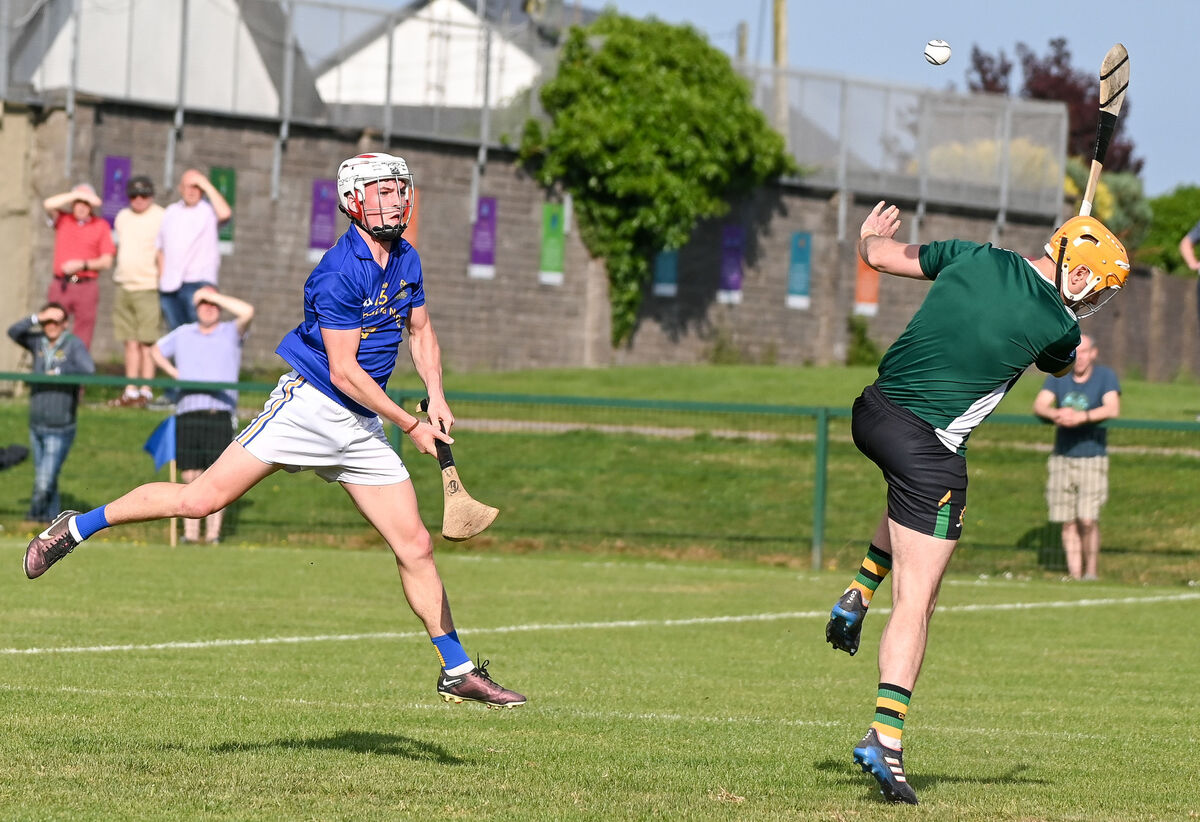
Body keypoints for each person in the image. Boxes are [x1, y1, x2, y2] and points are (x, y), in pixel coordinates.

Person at [22, 152, 526, 710]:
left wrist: (436, 393)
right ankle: (74, 528)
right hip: (310, 406)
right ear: (354, 202)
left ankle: (455, 668)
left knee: (416, 545)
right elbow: (344, 370)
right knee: (198, 500)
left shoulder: (407, 259)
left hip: (361, 423)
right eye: (384, 192)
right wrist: (409, 422)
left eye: (401, 190)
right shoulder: (337, 271)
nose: (397, 200)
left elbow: (422, 331)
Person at [823, 202, 1130, 805]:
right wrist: (1059, 300)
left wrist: (867, 236)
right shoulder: (1061, 328)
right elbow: (1062, 369)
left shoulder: (971, 252)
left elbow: (880, 256)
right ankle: (885, 738)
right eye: (1096, 286)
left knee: (905, 502)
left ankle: (858, 592)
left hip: (872, 412)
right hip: (929, 447)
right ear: (1077, 273)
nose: (1093, 300)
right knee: (920, 601)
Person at [151, 286, 254, 544]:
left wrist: (212, 295)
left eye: (212, 304)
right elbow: (155, 351)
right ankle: (190, 533)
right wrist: (175, 375)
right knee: (189, 474)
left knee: (218, 474)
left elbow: (247, 311)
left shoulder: (230, 332)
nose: (208, 308)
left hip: (219, 412)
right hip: (188, 410)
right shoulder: (184, 333)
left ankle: (213, 534)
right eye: (203, 304)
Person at [1032, 334, 1120, 581]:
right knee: (1068, 521)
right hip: (1062, 457)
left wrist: (1083, 417)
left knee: (1088, 519)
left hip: (1092, 456)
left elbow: (1112, 408)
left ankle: (1091, 572)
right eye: (1076, 352)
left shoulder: (1105, 377)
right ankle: (1074, 575)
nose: (1080, 358)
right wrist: (1057, 414)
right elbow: (1040, 406)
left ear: (1093, 353)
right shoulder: (1059, 377)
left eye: (1084, 352)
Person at [7, 303, 96, 522]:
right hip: (36, 423)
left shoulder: (73, 345)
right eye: (47, 322)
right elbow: (13, 332)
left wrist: (61, 373)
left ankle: (32, 519)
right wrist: (36, 317)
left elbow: (89, 370)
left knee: (44, 480)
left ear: (65, 324)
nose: (51, 326)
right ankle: (53, 521)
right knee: (48, 478)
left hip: (60, 425)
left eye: (56, 321)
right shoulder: (38, 341)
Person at [110, 175, 166, 407]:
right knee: (129, 342)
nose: (139, 199)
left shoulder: (161, 216)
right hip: (124, 285)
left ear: (151, 195)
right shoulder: (123, 216)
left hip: (148, 286)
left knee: (147, 342)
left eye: (143, 195)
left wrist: (162, 282)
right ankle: (130, 390)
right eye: (134, 195)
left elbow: (164, 252)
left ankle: (146, 390)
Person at [156, 169, 232, 332]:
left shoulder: (208, 211)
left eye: (196, 187)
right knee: (177, 336)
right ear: (180, 188)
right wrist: (162, 278)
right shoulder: (171, 212)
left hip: (198, 283)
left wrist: (205, 183)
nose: (192, 191)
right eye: (188, 186)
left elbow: (225, 213)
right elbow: (160, 248)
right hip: (170, 286)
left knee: (201, 334)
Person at [42, 184, 115, 350]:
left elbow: (106, 261)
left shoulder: (100, 225)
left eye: (86, 203)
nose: (82, 207)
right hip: (62, 284)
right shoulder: (63, 219)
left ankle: (76, 371)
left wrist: (82, 264)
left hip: (85, 284)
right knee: (53, 325)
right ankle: (52, 366)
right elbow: (48, 204)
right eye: (78, 202)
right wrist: (74, 195)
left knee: (83, 333)